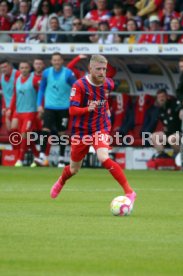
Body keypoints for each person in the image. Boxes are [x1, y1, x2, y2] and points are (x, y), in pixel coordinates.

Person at [50, 55, 136, 207]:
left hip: (100, 127)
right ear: (90, 69)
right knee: (74, 169)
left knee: (103, 157)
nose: (102, 72)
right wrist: (86, 109)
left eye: (104, 69)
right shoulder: (79, 85)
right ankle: (61, 181)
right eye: (98, 69)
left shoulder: (108, 83)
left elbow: (104, 98)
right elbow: (72, 110)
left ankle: (129, 192)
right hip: (81, 131)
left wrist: (106, 109)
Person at [36, 52, 76, 167]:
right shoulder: (46, 73)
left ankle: (61, 159)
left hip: (63, 108)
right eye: (54, 60)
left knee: (62, 133)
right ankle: (42, 156)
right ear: (51, 61)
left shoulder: (68, 74)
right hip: (49, 107)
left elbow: (77, 87)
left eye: (58, 60)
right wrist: (39, 104)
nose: (56, 62)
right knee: (45, 130)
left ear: (62, 61)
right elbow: (41, 89)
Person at [7, 61, 40, 167]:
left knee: (25, 134)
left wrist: (40, 108)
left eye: (26, 67)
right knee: (14, 131)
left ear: (29, 68)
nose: (24, 69)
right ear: (19, 69)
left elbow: (40, 94)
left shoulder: (34, 80)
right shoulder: (17, 80)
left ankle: (20, 159)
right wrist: (10, 110)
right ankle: (37, 156)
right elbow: (15, 96)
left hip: (30, 111)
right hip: (18, 111)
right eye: (22, 67)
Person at [149, 89, 181, 158]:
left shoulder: (174, 104)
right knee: (153, 136)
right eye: (159, 97)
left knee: (171, 139)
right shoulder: (160, 109)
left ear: (167, 97)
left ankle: (179, 155)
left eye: (163, 96)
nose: (161, 99)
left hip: (180, 132)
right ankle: (162, 155)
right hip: (169, 132)